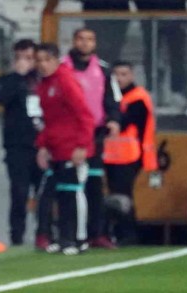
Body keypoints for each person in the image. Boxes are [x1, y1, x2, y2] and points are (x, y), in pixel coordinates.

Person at [61, 28, 121, 250]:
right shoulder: (62, 68)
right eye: (81, 39)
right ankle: (67, 234)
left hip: (95, 133)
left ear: (94, 43)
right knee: (68, 186)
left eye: (89, 39)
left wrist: (113, 120)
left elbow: (113, 99)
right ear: (74, 41)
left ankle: (97, 233)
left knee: (94, 185)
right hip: (68, 134)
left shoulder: (104, 70)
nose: (85, 43)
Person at [35, 43, 95, 256]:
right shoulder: (45, 85)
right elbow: (49, 120)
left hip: (72, 147)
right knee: (60, 195)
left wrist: (82, 146)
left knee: (73, 192)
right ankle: (63, 238)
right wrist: (43, 146)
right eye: (39, 61)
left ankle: (78, 239)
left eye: (47, 60)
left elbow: (85, 115)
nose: (42, 65)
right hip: (56, 148)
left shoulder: (66, 80)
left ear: (56, 60)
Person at [0, 39, 45, 246]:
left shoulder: (45, 80)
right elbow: (1, 98)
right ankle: (17, 236)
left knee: (44, 192)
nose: (24, 62)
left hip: (43, 145)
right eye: (20, 58)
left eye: (29, 58)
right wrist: (18, 77)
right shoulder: (7, 80)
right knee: (19, 192)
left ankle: (45, 233)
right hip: (17, 145)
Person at [103, 61, 159, 245]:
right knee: (115, 194)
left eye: (124, 74)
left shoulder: (137, 97)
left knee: (123, 194)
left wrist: (111, 118)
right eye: (116, 75)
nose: (119, 79)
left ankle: (128, 234)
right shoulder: (112, 97)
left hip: (130, 155)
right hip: (111, 155)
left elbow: (126, 122)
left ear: (132, 75)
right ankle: (118, 232)